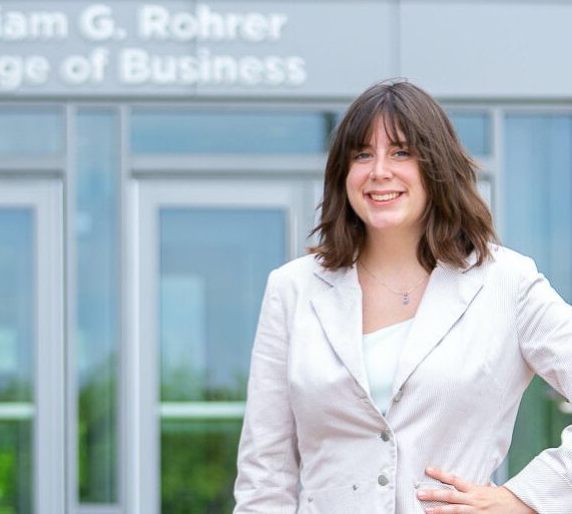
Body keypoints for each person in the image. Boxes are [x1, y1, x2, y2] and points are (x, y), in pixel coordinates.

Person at [233, 79, 572, 513]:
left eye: (400, 152)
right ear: (343, 174)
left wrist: (525, 499)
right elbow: (265, 474)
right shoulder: (292, 289)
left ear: (436, 166)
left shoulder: (507, 282)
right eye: (361, 154)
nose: (379, 171)